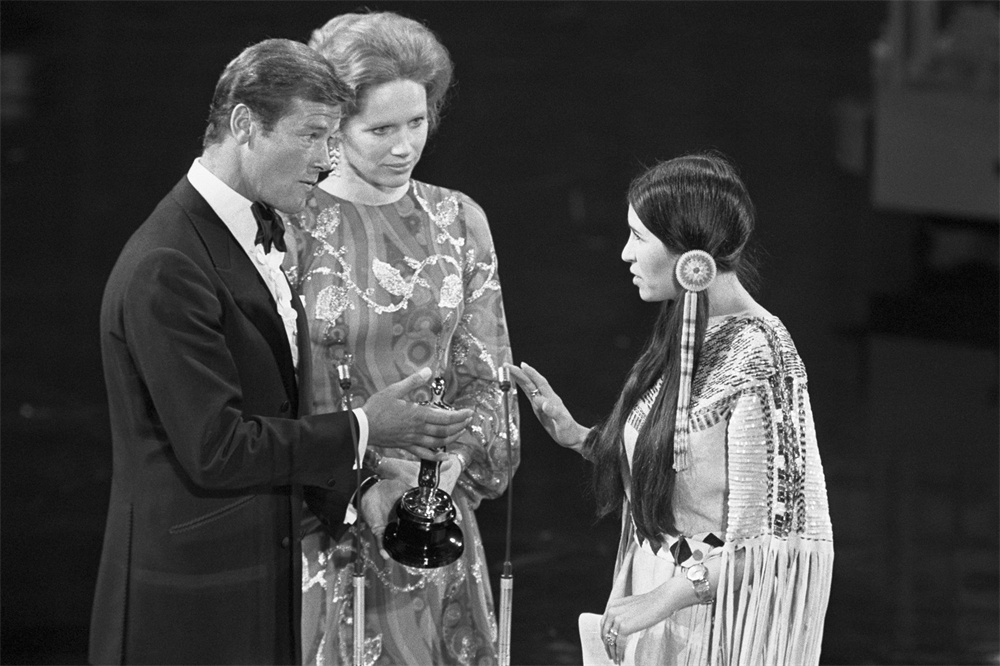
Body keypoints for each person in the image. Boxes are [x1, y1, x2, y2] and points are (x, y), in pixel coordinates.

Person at [90, 38, 473, 665]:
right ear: (245, 125)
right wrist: (367, 426)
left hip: (254, 578)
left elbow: (273, 414)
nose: (327, 160)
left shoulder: (246, 235)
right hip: (189, 598)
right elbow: (216, 449)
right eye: (314, 136)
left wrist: (361, 487)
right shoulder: (169, 262)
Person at [508, 153, 834, 665]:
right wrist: (579, 436)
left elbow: (772, 540)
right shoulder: (686, 329)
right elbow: (682, 463)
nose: (624, 253)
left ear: (689, 253)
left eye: (638, 237)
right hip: (662, 603)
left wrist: (658, 601)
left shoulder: (762, 356)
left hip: (713, 622)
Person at [282, 11, 519, 665]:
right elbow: (279, 390)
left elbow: (485, 371)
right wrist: (363, 480)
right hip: (325, 526)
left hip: (431, 524)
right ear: (335, 124)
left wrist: (448, 473)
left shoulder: (457, 219)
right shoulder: (294, 224)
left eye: (415, 123)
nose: (403, 145)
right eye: (380, 128)